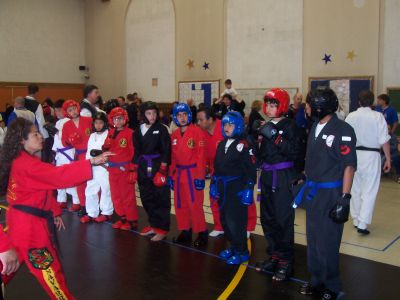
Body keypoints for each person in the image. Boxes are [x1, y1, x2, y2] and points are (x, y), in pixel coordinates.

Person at [0, 118, 110, 299]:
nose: (41, 137)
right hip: (30, 230)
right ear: (22, 140)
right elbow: (57, 176)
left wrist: (54, 211)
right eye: (35, 134)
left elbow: (41, 187)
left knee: (10, 264)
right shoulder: (26, 165)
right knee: (50, 271)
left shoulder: (22, 160)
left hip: (20, 223)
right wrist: (91, 162)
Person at [293, 87, 357, 300]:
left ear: (319, 108)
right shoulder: (314, 128)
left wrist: (345, 198)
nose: (307, 108)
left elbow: (349, 166)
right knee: (313, 239)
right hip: (313, 192)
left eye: (309, 105)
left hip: (331, 194)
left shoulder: (343, 129)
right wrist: (304, 176)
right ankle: (316, 279)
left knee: (328, 241)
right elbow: (313, 159)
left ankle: (332, 285)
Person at [254, 88, 305, 281]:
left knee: (283, 219)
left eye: (274, 104)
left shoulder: (290, 125)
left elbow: (295, 152)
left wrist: (275, 136)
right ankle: (274, 255)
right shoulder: (264, 125)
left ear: (282, 106)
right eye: (267, 104)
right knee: (268, 218)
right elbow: (260, 157)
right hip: (266, 176)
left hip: (283, 176)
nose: (269, 107)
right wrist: (254, 139)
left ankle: (286, 261)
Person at [196, 107, 257, 238]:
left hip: (237, 173)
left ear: (211, 119)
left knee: (244, 200)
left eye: (201, 119)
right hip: (217, 171)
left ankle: (248, 226)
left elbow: (246, 148)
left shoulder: (227, 126)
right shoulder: (202, 133)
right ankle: (220, 226)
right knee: (215, 199)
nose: (198, 122)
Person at [211, 111, 257, 265]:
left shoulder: (244, 144)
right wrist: (213, 184)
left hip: (237, 188)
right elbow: (216, 167)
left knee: (236, 221)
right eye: (225, 124)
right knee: (225, 220)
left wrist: (249, 188)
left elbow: (250, 168)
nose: (226, 127)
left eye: (230, 125)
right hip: (223, 187)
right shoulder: (222, 144)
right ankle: (234, 246)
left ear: (238, 126)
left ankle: (242, 251)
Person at [345, 90, 391, 235]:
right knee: (369, 189)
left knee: (355, 188)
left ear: (358, 102)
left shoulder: (351, 116)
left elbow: (344, 138)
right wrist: (388, 159)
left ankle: (356, 219)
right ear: (372, 103)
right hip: (372, 155)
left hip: (354, 155)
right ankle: (363, 224)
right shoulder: (378, 117)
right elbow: (384, 140)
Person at [169, 103, 208, 247]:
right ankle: (185, 231)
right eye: (179, 115)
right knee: (180, 204)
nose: (182, 118)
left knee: (195, 205)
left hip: (192, 173)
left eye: (185, 114)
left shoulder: (197, 132)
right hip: (179, 174)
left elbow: (201, 156)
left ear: (189, 115)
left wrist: (200, 177)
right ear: (175, 117)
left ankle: (202, 233)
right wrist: (171, 175)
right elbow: (173, 158)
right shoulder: (174, 135)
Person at [133, 101, 171, 241]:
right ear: (143, 114)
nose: (152, 116)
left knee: (160, 198)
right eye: (149, 113)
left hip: (157, 165)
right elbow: (136, 151)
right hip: (143, 166)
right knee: (146, 197)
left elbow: (167, 150)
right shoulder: (138, 130)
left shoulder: (162, 129)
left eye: (154, 113)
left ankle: (162, 228)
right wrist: (134, 167)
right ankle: (154, 225)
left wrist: (162, 169)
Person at [103, 107, 138, 231]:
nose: (118, 121)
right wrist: (104, 147)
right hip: (112, 170)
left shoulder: (130, 133)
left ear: (125, 119)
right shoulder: (110, 132)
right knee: (116, 196)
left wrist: (133, 169)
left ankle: (131, 220)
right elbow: (107, 149)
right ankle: (122, 218)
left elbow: (134, 152)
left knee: (127, 196)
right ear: (111, 120)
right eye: (116, 119)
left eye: (121, 118)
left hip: (124, 169)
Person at [80, 112, 113, 224]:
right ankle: (91, 213)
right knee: (90, 189)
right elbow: (89, 151)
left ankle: (106, 212)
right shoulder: (92, 136)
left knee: (106, 189)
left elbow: (111, 151)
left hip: (104, 167)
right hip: (92, 166)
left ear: (105, 123)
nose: (98, 125)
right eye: (96, 123)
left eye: (100, 123)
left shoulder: (109, 134)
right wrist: (88, 163)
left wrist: (105, 160)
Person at [61, 100, 93, 215]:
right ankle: (83, 206)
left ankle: (95, 207)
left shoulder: (89, 120)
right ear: (67, 113)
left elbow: (98, 133)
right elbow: (64, 143)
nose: (73, 111)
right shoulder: (66, 125)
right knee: (80, 183)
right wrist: (70, 141)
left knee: (93, 182)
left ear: (78, 108)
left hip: (91, 155)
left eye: (74, 108)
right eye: (70, 110)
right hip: (79, 156)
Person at [52, 99, 80, 210]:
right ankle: (61, 200)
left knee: (71, 177)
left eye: (59, 111)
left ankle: (76, 201)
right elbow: (56, 140)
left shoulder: (70, 122)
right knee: (59, 178)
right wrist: (54, 153)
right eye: (56, 111)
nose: (57, 113)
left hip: (69, 152)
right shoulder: (58, 122)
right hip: (60, 154)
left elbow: (70, 138)